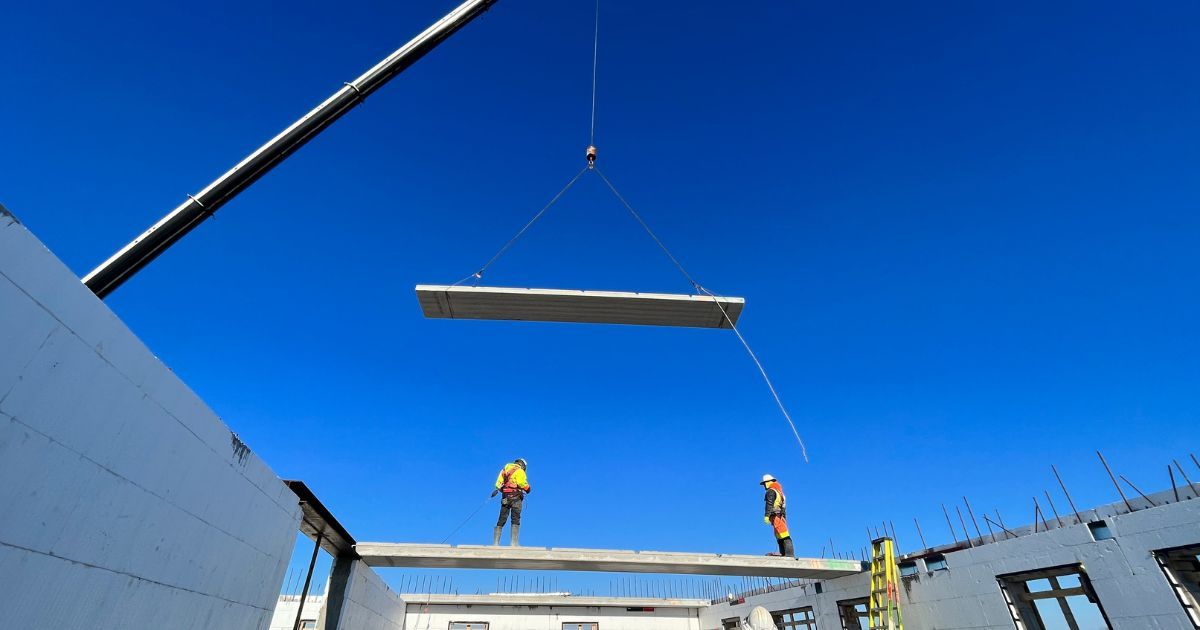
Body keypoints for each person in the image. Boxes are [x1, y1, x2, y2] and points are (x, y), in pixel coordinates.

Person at [491, 458, 531, 546]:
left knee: (502, 518)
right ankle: (514, 543)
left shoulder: (505, 470)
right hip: (516, 498)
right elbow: (522, 483)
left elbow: (498, 484)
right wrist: (528, 489)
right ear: (523, 465)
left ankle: (495, 543)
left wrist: (505, 491)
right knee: (515, 519)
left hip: (505, 498)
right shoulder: (520, 471)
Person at [761, 474, 794, 557]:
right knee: (779, 535)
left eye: (764, 483)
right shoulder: (780, 493)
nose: (764, 486)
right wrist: (784, 518)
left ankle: (789, 554)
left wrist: (766, 515)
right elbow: (784, 507)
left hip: (776, 516)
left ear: (768, 482)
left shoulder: (771, 491)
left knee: (784, 535)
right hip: (779, 516)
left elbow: (769, 504)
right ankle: (784, 554)